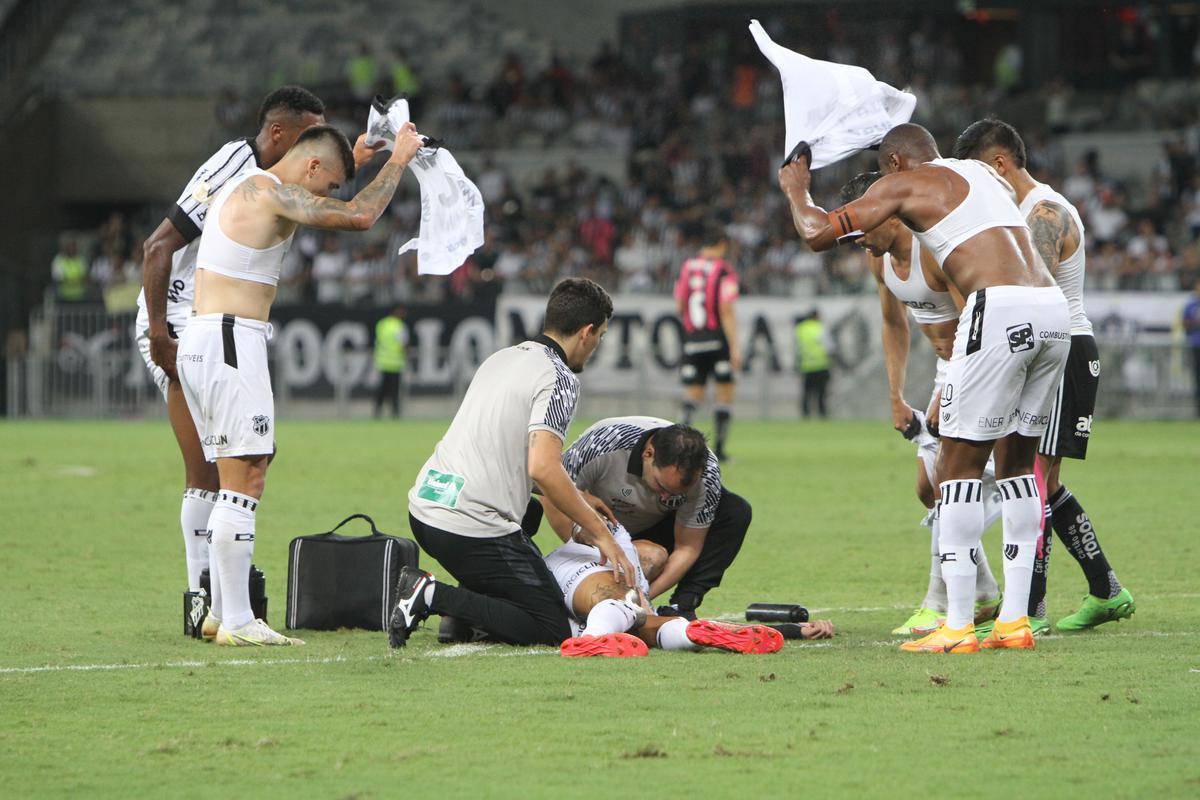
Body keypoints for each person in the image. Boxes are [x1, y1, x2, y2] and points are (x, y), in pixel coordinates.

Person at [779, 123, 1070, 653]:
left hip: (997, 310)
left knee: (951, 471)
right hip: (1052, 313)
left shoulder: (904, 184)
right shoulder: (983, 173)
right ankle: (1013, 620)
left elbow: (817, 232)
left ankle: (957, 624)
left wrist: (795, 189)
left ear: (893, 164)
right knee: (1017, 467)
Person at [176, 122, 424, 646]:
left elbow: (318, 190)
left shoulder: (251, 185)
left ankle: (223, 612)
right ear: (310, 167)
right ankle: (240, 621)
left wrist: (353, 158)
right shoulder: (270, 193)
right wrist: (398, 160)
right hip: (230, 339)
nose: (329, 197)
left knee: (239, 474)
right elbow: (360, 215)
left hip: (206, 338)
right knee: (246, 480)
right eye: (330, 183)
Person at [139, 86, 328, 628]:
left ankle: (215, 601)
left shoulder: (274, 177)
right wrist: (158, 333)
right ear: (276, 135)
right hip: (183, 322)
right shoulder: (233, 163)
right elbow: (158, 247)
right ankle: (206, 598)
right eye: (306, 137)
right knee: (217, 467)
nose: (311, 151)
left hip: (203, 322)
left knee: (247, 458)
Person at [954, 119, 1135, 632]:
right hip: (1048, 351)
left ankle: (1029, 611)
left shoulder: (1044, 212)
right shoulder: (1018, 213)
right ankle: (1106, 589)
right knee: (1043, 484)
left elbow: (1032, 284)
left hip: (1064, 349)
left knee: (1032, 482)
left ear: (999, 165)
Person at [388, 278, 637, 649]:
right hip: (468, 526)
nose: (597, 345)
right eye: (600, 336)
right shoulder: (560, 377)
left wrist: (580, 497)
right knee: (550, 626)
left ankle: (458, 619)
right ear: (586, 333)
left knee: (529, 516)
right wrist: (601, 534)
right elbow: (543, 468)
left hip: (426, 508)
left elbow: (508, 453)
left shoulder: (502, 357)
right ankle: (432, 596)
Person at [837, 172, 1002, 637]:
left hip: (980, 362)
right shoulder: (879, 262)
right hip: (945, 370)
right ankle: (986, 593)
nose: (859, 242)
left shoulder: (935, 248)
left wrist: (948, 391)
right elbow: (894, 325)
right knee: (928, 489)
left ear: (887, 214)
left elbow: (975, 316)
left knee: (954, 482)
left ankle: (938, 601)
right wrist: (895, 394)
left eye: (862, 228)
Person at [538, 418, 749, 620]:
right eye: (662, 486)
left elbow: (688, 548)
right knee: (648, 556)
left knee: (735, 511)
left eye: (678, 494)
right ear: (648, 454)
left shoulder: (707, 475)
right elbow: (551, 491)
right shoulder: (603, 443)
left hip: (657, 526)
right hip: (596, 529)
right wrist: (584, 544)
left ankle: (680, 606)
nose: (666, 497)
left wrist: (642, 597)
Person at [545, 524, 829, 657]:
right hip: (598, 586)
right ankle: (691, 633)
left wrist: (792, 629)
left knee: (638, 619)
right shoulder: (620, 551)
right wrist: (791, 629)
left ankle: (591, 640)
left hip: (577, 581)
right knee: (642, 619)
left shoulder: (611, 557)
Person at [674, 224, 740, 461]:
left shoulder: (687, 268)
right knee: (724, 395)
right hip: (717, 340)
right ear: (722, 245)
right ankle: (720, 451)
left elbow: (680, 305)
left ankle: (677, 449)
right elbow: (726, 309)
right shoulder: (724, 271)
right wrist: (734, 347)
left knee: (692, 396)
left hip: (693, 341)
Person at [794, 310, 831, 418]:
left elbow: (797, 347)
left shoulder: (801, 329)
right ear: (816, 317)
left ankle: (805, 414)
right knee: (821, 393)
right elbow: (829, 346)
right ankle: (822, 413)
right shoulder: (820, 328)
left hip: (807, 366)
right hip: (821, 365)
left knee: (807, 393)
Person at [373, 305, 407, 418]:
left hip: (383, 361)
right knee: (395, 390)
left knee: (382, 389)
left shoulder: (382, 324)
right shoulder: (399, 326)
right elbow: (403, 344)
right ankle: (395, 412)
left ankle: (377, 411)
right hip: (395, 363)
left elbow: (378, 340)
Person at [51, 239, 89, 303]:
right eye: (70, 247)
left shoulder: (81, 259)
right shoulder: (59, 260)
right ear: (66, 248)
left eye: (74, 247)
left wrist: (71, 281)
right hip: (63, 296)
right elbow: (58, 279)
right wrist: (76, 281)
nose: (72, 249)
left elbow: (85, 277)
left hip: (80, 296)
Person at [1185, 283, 1200, 417]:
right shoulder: (1191, 305)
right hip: (1196, 345)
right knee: (1197, 378)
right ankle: (1198, 410)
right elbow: (1186, 324)